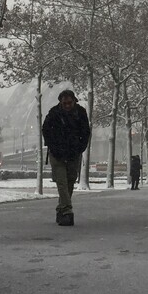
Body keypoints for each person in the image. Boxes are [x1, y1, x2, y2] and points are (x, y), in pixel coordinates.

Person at [42, 89, 91, 226]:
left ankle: (61, 208)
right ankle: (67, 210)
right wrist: (53, 146)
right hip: (57, 153)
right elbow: (45, 130)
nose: (67, 105)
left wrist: (80, 148)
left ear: (74, 101)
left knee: (70, 180)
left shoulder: (81, 112)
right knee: (62, 182)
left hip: (73, 153)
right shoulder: (54, 113)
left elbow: (86, 132)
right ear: (60, 103)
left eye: (69, 103)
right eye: (65, 103)